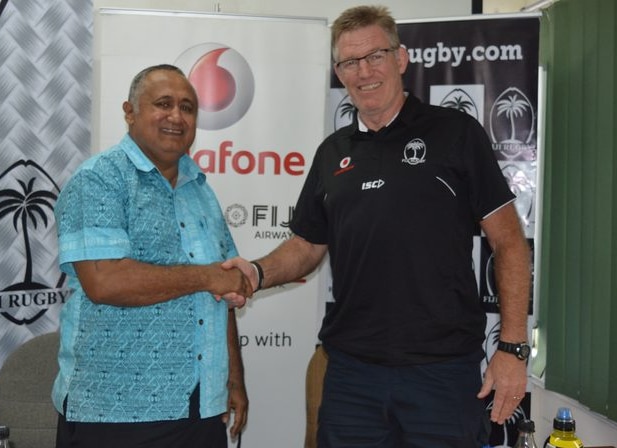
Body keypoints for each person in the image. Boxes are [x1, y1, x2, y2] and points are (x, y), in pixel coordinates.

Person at [223, 5, 531, 447]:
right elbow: (308, 244)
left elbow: (509, 244)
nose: (364, 71)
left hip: (441, 374)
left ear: (400, 59)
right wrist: (255, 272)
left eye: (375, 56)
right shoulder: (333, 152)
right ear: (338, 72)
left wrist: (513, 348)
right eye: (350, 62)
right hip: (352, 375)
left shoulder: (456, 132)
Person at [52, 64, 251, 448]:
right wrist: (206, 276)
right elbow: (104, 281)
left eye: (188, 107)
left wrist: (233, 380)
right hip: (115, 412)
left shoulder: (200, 190)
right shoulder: (99, 179)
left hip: (199, 409)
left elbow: (223, 294)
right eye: (163, 104)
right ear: (130, 111)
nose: (177, 116)